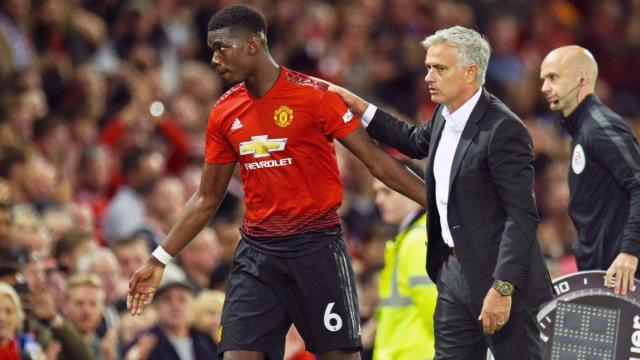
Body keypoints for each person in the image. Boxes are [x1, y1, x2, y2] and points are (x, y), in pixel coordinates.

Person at [127, 4, 426, 360]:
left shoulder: (315, 96)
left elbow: (376, 161)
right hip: (258, 254)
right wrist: (160, 258)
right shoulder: (224, 111)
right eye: (211, 49)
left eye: (222, 47)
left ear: (253, 44)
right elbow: (207, 197)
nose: (214, 59)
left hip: (317, 249)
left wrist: (437, 204)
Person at [330, 26, 553, 359]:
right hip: (451, 272)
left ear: (471, 72)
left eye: (440, 68)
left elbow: (521, 216)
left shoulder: (503, 129)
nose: (428, 77)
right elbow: (413, 140)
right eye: (428, 67)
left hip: (498, 279)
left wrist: (503, 288)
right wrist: (361, 107)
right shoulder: (444, 115)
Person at [540, 45, 640, 295]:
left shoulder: (600, 128)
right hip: (604, 274)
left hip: (625, 276)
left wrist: (630, 251)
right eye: (543, 79)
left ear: (582, 78)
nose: (544, 88)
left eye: (553, 77)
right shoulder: (583, 131)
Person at [371, 160, 437, 360]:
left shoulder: (418, 240)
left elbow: (437, 313)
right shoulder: (411, 237)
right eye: (376, 192)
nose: (378, 200)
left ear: (409, 187)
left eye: (387, 191)